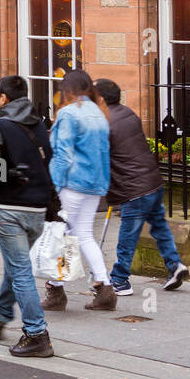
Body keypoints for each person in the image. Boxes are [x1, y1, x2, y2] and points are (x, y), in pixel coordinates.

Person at [0, 75, 57, 358]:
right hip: (37, 207)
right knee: (17, 265)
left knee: (21, 271)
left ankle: (36, 333)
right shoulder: (39, 125)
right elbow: (49, 160)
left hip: (9, 207)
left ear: (4, 98)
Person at [95, 79, 190, 295]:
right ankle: (174, 265)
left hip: (134, 188)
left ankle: (119, 280)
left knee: (129, 234)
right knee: (159, 225)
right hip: (152, 182)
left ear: (100, 98)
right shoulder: (128, 113)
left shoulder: (104, 122)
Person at [42, 70, 116, 312]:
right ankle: (104, 285)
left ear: (68, 90)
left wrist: (54, 183)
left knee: (61, 235)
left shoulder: (67, 114)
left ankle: (55, 290)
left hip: (72, 183)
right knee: (83, 234)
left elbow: (62, 153)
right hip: (95, 183)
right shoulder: (99, 113)